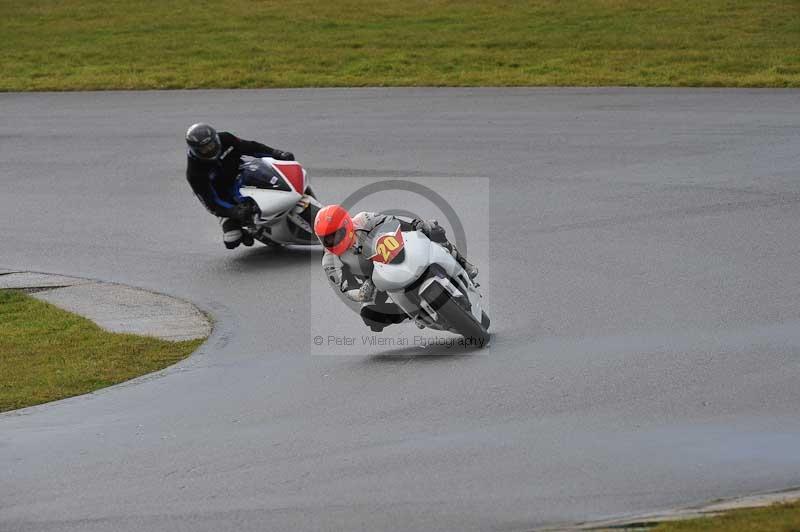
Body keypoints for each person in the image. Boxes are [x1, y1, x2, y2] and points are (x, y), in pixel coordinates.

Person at [314, 205, 478, 332]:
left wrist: (417, 225)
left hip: (396, 251)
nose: (333, 241)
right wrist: (361, 293)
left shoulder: (363, 220)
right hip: (374, 281)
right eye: (327, 239)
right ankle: (408, 312)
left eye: (336, 235)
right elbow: (346, 287)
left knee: (433, 229)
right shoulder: (329, 261)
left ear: (347, 224)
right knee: (370, 316)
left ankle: (463, 264)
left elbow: (393, 220)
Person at [185, 122, 296, 249]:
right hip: (226, 198)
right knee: (232, 241)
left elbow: (251, 147)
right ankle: (249, 230)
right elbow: (211, 204)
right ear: (195, 150)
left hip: (243, 173)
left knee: (273, 175)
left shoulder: (226, 138)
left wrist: (277, 153)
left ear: (215, 139)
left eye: (211, 145)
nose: (209, 149)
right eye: (204, 149)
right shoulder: (194, 173)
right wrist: (234, 211)